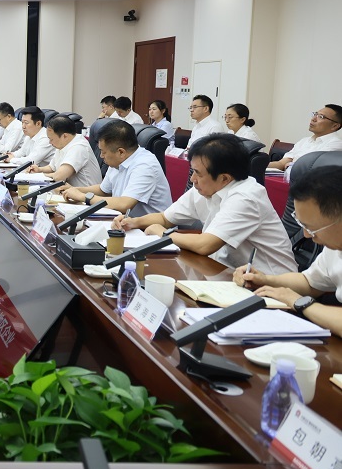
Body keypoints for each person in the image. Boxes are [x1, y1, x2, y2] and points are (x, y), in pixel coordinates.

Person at [114, 134, 296, 274]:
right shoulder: (205, 187)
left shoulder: (246, 197)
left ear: (224, 178)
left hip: (271, 284)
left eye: (198, 173)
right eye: (192, 171)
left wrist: (162, 234)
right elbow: (165, 218)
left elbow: (205, 245)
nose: (192, 179)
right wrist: (134, 222)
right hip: (227, 272)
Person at [233, 166, 342, 337]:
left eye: (312, 228)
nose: (306, 235)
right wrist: (266, 280)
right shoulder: (334, 247)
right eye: (302, 225)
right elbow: (310, 282)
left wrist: (300, 302)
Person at [58, 119, 171, 216]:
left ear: (120, 152)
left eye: (103, 152)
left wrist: (83, 196)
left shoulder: (145, 165)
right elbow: (104, 190)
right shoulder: (118, 160)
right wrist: (74, 190)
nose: (101, 156)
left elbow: (124, 204)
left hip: (148, 230)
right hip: (123, 222)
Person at [29, 116, 102, 187]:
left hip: (85, 194)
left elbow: (59, 177)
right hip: (69, 191)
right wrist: (39, 169)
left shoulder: (79, 147)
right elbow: (52, 167)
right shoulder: (63, 143)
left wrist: (37, 176)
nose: (50, 142)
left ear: (65, 136)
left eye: (51, 139)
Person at [268, 104, 342, 171]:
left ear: (335, 126)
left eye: (321, 117)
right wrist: (261, 165)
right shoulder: (304, 141)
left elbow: (310, 168)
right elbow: (281, 164)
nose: (313, 119)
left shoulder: (336, 144)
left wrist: (291, 165)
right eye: (315, 114)